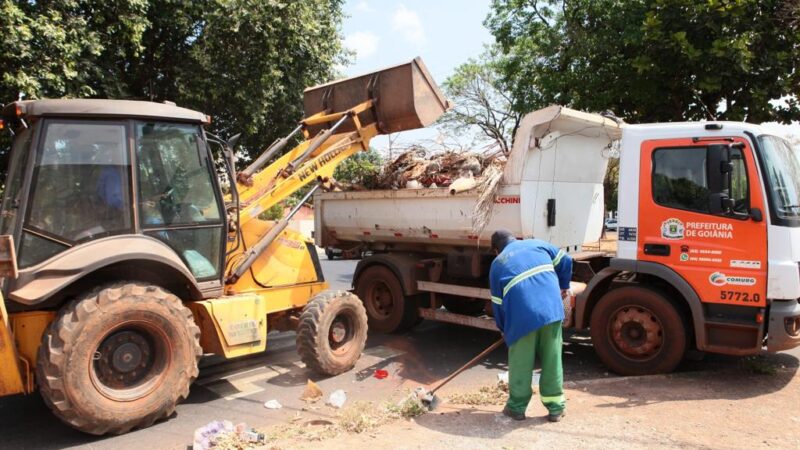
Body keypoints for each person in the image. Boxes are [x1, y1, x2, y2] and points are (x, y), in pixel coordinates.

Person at [489, 229, 572, 422]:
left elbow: (497, 303)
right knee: (552, 359)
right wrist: (563, 286)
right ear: (515, 239)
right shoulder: (537, 244)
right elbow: (566, 260)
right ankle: (556, 408)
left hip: (521, 317)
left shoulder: (497, 263)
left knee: (521, 362)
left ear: (496, 249)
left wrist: (503, 329)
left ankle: (517, 408)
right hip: (552, 310)